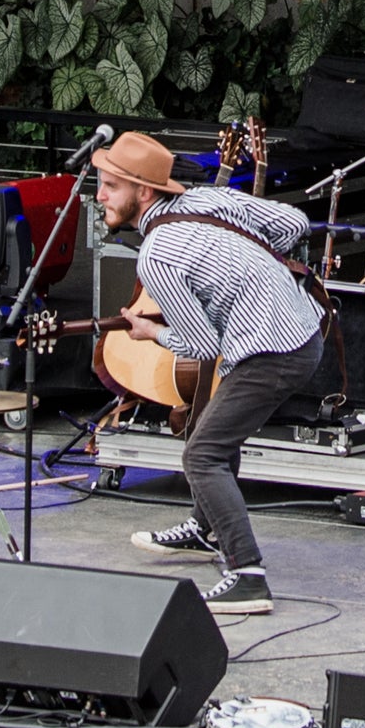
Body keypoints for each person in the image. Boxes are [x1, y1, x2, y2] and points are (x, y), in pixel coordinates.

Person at [97, 129, 326, 616]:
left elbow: (202, 345)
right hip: (302, 332)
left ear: (144, 191)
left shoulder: (157, 255)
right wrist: (257, 267)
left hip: (275, 352)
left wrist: (148, 333)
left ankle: (248, 577)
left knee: (202, 455)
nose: (99, 196)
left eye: (111, 186)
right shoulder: (209, 199)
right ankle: (205, 527)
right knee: (210, 429)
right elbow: (294, 222)